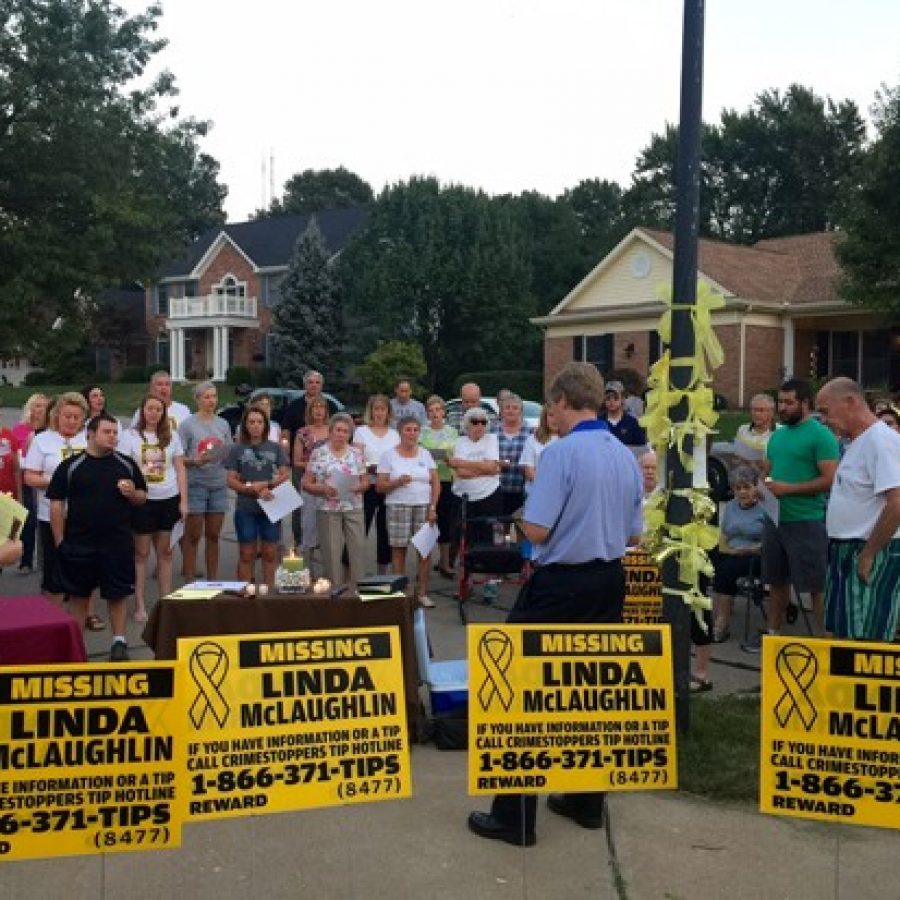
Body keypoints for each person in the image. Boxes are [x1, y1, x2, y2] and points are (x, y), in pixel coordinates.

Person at [467, 362, 643, 848]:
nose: (551, 417)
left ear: (564, 401)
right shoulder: (625, 454)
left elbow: (539, 530)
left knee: (519, 689)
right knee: (591, 691)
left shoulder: (562, 454)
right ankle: (588, 799)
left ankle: (514, 816)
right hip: (609, 578)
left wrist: (519, 522)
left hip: (560, 581)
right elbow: (634, 533)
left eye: (552, 408)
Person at [46, 412, 147, 661]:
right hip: (80, 544)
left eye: (115, 433)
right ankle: (77, 649)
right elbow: (56, 504)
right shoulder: (71, 466)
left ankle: (119, 642)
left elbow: (143, 497)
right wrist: (60, 542)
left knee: (117, 594)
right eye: (107, 432)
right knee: (79, 597)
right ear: (91, 434)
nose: (112, 437)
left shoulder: (126, 464)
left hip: (117, 543)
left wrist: (132, 493)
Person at [816, 378, 900, 640]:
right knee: (844, 630)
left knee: (866, 634)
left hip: (869, 548)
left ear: (850, 402)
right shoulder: (856, 442)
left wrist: (869, 553)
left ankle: (866, 683)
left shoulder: (881, 441)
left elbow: (896, 501)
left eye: (826, 411)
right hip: (845, 548)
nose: (824, 419)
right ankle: (847, 683)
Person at [758, 378, 839, 640]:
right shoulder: (778, 435)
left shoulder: (821, 435)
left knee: (816, 585)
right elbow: (769, 471)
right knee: (777, 581)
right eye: (780, 402)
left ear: (805, 403)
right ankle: (774, 634)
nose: (783, 407)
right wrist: (760, 482)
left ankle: (827, 640)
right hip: (775, 518)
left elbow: (830, 479)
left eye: (789, 403)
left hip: (806, 519)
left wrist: (789, 489)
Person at [119, 394, 188, 621]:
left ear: (163, 413)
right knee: (141, 553)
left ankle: (165, 601)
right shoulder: (129, 437)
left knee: (166, 553)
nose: (154, 413)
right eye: (150, 408)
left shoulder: (172, 437)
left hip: (168, 498)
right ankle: (139, 604)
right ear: (142, 411)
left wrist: (184, 501)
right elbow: (123, 468)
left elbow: (179, 469)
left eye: (158, 409)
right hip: (142, 501)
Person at [23, 392, 89, 607]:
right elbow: (30, 476)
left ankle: (86, 612)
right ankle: (51, 614)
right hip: (50, 514)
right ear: (57, 415)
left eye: (76, 417)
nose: (71, 421)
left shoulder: (88, 439)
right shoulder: (42, 440)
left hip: (83, 515)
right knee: (55, 567)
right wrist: (59, 483)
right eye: (67, 416)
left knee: (84, 566)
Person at [377, 416, 440, 606]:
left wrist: (433, 507)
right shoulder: (389, 455)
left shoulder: (425, 454)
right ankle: (400, 591)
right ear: (400, 432)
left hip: (423, 506)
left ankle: (422, 593)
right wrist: (397, 482)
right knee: (399, 550)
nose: (412, 433)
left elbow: (436, 483)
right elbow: (380, 486)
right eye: (408, 430)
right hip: (398, 505)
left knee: (424, 550)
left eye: (415, 430)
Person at [302, 412, 368, 590]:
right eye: (338, 430)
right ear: (330, 431)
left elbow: (365, 482)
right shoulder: (318, 453)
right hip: (327, 507)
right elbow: (306, 483)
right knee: (332, 552)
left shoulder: (356, 454)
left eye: (345, 431)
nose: (341, 434)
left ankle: (357, 591)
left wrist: (357, 487)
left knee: (357, 549)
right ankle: (335, 590)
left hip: (353, 505)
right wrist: (322, 489)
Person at [226, 405, 290, 586]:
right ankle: (245, 593)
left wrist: (268, 485)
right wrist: (249, 489)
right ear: (245, 425)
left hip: (271, 505)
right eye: (251, 422)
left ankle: (269, 594)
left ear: (266, 425)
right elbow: (230, 479)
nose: (255, 426)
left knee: (270, 553)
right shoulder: (237, 449)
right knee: (247, 553)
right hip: (246, 506)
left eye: (260, 422)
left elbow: (285, 475)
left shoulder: (276, 449)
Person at [178, 380, 233, 582]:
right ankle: (190, 581)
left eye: (214, 396)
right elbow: (178, 456)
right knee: (192, 536)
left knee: (213, 536)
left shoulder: (223, 423)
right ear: (197, 400)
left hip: (218, 484)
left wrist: (226, 455)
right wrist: (194, 461)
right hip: (196, 485)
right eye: (207, 397)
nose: (211, 401)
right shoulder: (187, 425)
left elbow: (229, 450)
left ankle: (212, 580)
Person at [710, 466, 766, 643]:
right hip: (733, 551)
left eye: (747, 487)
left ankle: (721, 623)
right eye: (738, 488)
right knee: (714, 562)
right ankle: (721, 610)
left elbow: (770, 541)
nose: (742, 492)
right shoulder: (731, 507)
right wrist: (726, 547)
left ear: (755, 487)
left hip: (756, 553)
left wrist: (750, 549)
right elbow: (724, 534)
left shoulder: (765, 508)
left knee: (727, 570)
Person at [353, 395, 399, 575]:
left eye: (383, 409)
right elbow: (356, 459)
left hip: (388, 487)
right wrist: (369, 468)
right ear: (370, 411)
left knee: (385, 530)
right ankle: (353, 571)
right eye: (376, 409)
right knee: (359, 528)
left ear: (388, 412)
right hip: (368, 485)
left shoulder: (395, 434)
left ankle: (382, 572)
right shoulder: (361, 432)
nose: (379, 413)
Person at [449, 406, 502, 547]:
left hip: (489, 493)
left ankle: (486, 565)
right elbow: (461, 473)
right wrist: (486, 469)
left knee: (488, 535)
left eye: (483, 422)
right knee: (464, 536)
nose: (479, 425)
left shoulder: (491, 439)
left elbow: (491, 466)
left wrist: (462, 462)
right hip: (464, 496)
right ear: (467, 424)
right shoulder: (459, 442)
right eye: (475, 422)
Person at [419, 395, 459, 577]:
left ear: (443, 411)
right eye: (431, 411)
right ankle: (422, 565)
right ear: (427, 413)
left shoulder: (453, 432)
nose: (435, 414)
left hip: (447, 479)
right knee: (426, 523)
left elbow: (456, 455)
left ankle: (444, 562)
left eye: (438, 410)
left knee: (446, 522)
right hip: (427, 481)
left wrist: (449, 458)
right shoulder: (422, 432)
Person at [11, 393, 48, 574]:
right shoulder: (20, 429)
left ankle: (44, 559)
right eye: (37, 405)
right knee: (28, 519)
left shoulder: (49, 430)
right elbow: (14, 454)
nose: (40, 409)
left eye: (44, 406)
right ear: (30, 408)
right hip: (25, 478)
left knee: (43, 519)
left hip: (41, 478)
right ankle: (26, 560)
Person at [293, 395, 330, 569]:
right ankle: (306, 568)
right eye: (315, 407)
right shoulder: (302, 433)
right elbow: (297, 461)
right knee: (308, 523)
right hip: (309, 482)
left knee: (328, 525)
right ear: (310, 410)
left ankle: (328, 569)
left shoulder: (333, 431)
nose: (318, 410)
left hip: (330, 484)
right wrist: (315, 465)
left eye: (322, 407)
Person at [281, 370, 340, 447]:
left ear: (321, 385)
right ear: (304, 385)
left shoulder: (331, 406)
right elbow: (286, 429)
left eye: (317, 382)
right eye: (310, 382)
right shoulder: (294, 406)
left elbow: (338, 427)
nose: (314, 385)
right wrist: (285, 446)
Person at [495, 393, 532, 516]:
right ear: (501, 411)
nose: (511, 411)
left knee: (519, 526)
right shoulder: (492, 431)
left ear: (521, 411)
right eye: (507, 407)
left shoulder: (530, 432)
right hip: (497, 489)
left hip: (522, 490)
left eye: (515, 408)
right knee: (500, 527)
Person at [521, 402, 559, 494]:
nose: (554, 420)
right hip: (535, 493)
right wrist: (548, 487)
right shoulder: (533, 439)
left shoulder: (570, 438)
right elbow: (528, 470)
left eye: (558, 415)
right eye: (550, 415)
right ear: (544, 417)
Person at [600, 380, 647, 450]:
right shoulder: (599, 422)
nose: (611, 401)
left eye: (615, 398)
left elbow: (641, 448)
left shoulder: (632, 423)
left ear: (622, 399)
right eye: (608, 398)